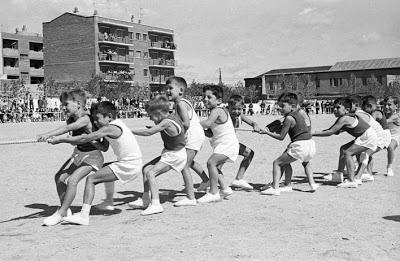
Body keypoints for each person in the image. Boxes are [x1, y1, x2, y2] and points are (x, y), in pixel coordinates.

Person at [48, 101, 142, 225]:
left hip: (128, 165)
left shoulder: (110, 128)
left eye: (97, 119)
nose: (95, 122)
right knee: (102, 169)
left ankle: (83, 216)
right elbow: (101, 146)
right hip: (132, 163)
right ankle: (108, 201)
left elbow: (85, 138)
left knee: (91, 179)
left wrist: (61, 139)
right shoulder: (117, 124)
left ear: (109, 116)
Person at [37, 90, 107, 226]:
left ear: (79, 104)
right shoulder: (71, 117)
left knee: (73, 180)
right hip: (79, 153)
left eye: (66, 104)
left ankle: (61, 212)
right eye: (62, 104)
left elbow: (69, 128)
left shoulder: (85, 118)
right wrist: (57, 139)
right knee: (59, 178)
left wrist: (48, 134)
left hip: (92, 156)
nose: (63, 107)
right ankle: (66, 208)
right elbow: (75, 140)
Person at [128, 95, 187, 215]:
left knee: (151, 173)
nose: (150, 118)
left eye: (151, 115)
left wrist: (129, 131)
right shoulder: (171, 117)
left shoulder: (165, 122)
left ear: (159, 113)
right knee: (146, 169)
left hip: (175, 155)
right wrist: (157, 127)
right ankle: (145, 199)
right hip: (171, 153)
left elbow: (149, 132)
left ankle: (156, 204)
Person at [258, 92, 318, 195]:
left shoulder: (288, 118)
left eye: (282, 106)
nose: (279, 108)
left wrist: (266, 132)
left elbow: (281, 137)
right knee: (301, 162)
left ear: (293, 106)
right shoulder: (299, 114)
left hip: (300, 145)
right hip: (310, 144)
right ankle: (309, 184)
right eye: (279, 106)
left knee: (277, 163)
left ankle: (275, 188)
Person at [313, 97, 377, 188]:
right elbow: (334, 131)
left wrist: (312, 133)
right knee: (343, 149)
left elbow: (330, 132)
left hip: (368, 137)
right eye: (334, 107)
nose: (334, 109)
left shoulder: (345, 118)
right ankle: (339, 174)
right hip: (365, 136)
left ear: (347, 110)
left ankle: (351, 180)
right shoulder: (343, 118)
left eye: (338, 107)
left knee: (348, 153)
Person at [164, 76, 208, 205]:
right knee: (190, 161)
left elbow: (186, 124)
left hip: (193, 136)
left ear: (181, 91)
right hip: (196, 135)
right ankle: (206, 181)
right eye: (166, 88)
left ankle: (190, 197)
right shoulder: (183, 102)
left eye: (170, 88)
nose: (167, 91)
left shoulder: (180, 104)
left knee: (184, 165)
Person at [196, 85, 239, 203]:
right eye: (204, 97)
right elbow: (210, 133)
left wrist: (192, 124)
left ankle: (213, 192)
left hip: (228, 144)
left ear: (219, 100)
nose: (205, 99)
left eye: (209, 97)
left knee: (211, 163)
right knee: (215, 167)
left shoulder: (217, 110)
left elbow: (208, 123)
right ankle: (225, 188)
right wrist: (201, 131)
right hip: (222, 144)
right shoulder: (213, 111)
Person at [227, 95, 260, 190]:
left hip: (232, 142)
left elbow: (253, 123)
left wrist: (255, 126)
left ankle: (238, 179)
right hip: (223, 143)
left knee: (249, 153)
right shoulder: (225, 116)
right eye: (233, 109)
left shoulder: (240, 115)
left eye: (239, 109)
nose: (236, 111)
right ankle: (211, 183)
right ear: (228, 107)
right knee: (218, 164)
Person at [359, 95, 391, 181]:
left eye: (364, 108)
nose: (363, 110)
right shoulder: (373, 112)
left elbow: (369, 124)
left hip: (383, 136)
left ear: (369, 105)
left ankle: (365, 173)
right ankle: (368, 173)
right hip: (381, 135)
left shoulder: (375, 113)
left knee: (366, 152)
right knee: (368, 152)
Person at [383, 96, 400, 177]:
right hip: (384, 135)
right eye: (385, 105)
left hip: (395, 136)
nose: (386, 107)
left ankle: (389, 168)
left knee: (390, 147)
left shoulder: (396, 116)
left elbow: (385, 122)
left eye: (389, 105)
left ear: (396, 106)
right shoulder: (382, 114)